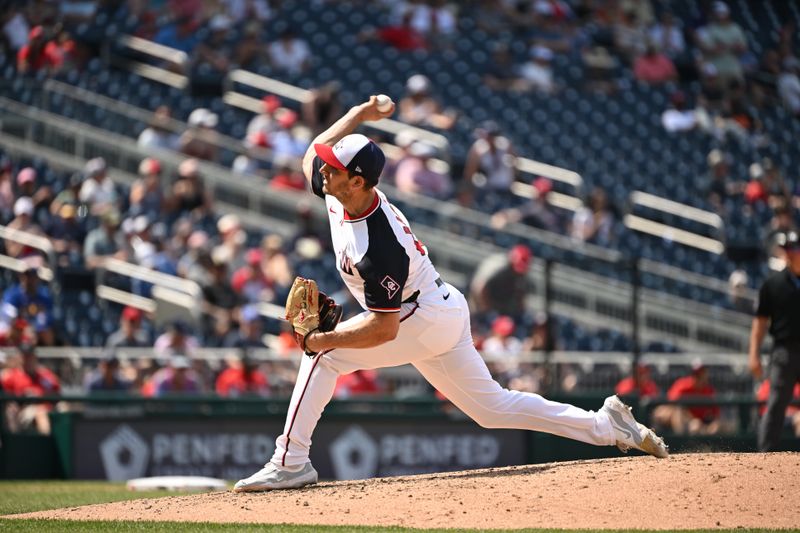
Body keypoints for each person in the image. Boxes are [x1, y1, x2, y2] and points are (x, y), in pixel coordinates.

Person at [233, 96, 667, 493]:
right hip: (437, 308)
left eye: (334, 169)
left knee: (323, 357)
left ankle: (289, 462)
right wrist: (361, 115)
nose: (322, 172)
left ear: (360, 181)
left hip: (422, 315)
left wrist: (321, 340)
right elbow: (314, 149)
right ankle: (606, 425)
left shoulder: (380, 245)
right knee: (492, 408)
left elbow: (384, 328)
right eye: (327, 167)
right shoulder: (338, 193)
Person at [749, 230, 800, 451]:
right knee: (776, 403)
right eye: (788, 250)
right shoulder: (773, 284)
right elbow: (760, 323)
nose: (791, 254)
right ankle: (766, 455)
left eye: (795, 250)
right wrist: (754, 355)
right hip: (784, 351)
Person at [653, 360, 720, 435]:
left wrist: (714, 425)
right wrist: (690, 418)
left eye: (702, 373)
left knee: (700, 426)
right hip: (685, 421)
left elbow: (716, 415)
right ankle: (680, 441)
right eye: (696, 374)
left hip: (701, 424)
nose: (699, 377)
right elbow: (671, 405)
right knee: (667, 412)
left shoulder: (709, 391)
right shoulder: (683, 385)